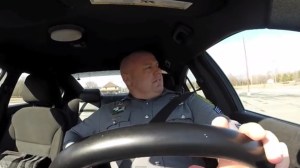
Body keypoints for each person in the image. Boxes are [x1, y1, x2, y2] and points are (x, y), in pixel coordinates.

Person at [63, 51, 289, 168]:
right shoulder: (108, 112)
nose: (158, 72)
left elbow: (225, 126)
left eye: (158, 67)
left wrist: (246, 142)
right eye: (148, 68)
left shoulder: (190, 102)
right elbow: (74, 135)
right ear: (127, 78)